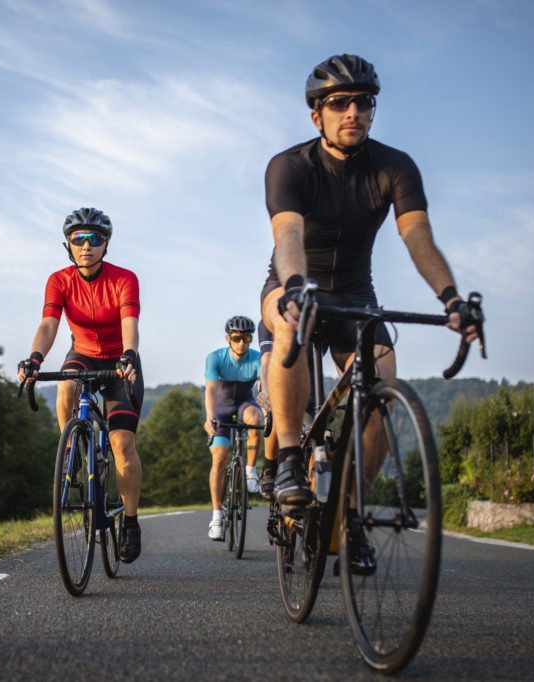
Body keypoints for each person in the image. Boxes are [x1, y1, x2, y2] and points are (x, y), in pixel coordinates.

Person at [260, 54, 480, 574]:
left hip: (356, 294)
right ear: (318, 115)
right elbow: (288, 234)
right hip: (293, 282)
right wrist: (295, 288)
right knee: (289, 323)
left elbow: (417, 237)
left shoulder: (394, 166)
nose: (352, 111)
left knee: (381, 385)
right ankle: (289, 457)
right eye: (339, 103)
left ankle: (350, 515)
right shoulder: (289, 165)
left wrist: (450, 297)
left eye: (362, 102)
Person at [18, 208, 145, 563]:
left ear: (106, 244)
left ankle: (131, 521)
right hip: (84, 355)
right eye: (78, 238)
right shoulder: (59, 280)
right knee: (66, 386)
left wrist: (130, 354)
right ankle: (72, 449)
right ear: (68, 245)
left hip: (120, 360)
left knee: (122, 444)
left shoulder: (124, 278)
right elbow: (48, 325)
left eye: (94, 238)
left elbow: (129, 322)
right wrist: (34, 359)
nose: (86, 245)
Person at [203, 316, 264, 541]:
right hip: (221, 409)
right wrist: (210, 417)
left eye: (247, 338)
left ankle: (250, 472)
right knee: (219, 458)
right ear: (228, 339)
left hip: (246, 402)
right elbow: (210, 390)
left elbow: (265, 386)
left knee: (255, 418)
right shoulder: (216, 358)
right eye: (237, 338)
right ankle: (217, 517)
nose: (242, 343)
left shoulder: (258, 358)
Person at [255, 320, 279, 498]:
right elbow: (267, 361)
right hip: (275, 379)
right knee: (274, 413)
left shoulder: (320, 318)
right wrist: (266, 388)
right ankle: (270, 468)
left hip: (308, 381)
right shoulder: (269, 323)